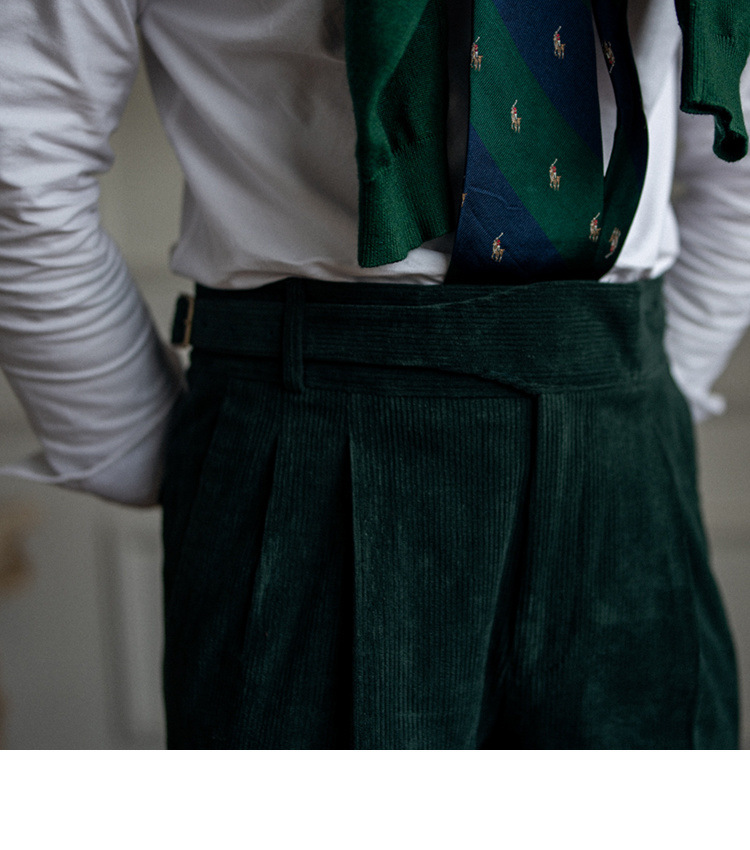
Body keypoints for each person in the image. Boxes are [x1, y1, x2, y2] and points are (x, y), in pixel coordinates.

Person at [1, 0, 749, 748]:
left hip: (624, 440)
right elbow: (23, 144)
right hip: (305, 444)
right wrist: (148, 447)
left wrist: (640, 382)